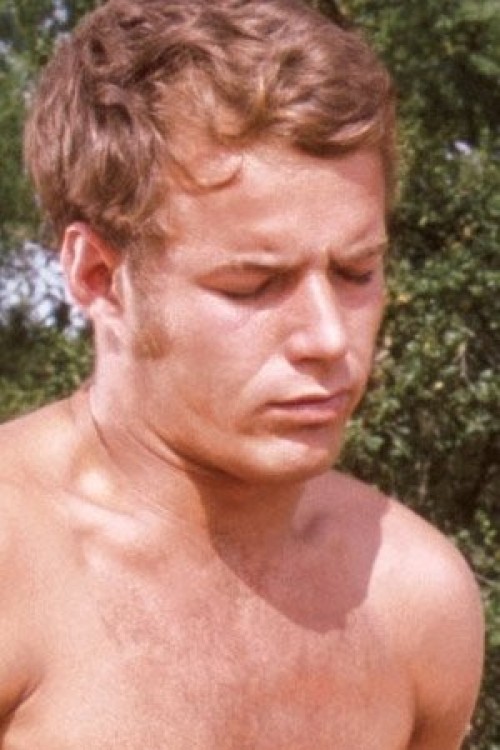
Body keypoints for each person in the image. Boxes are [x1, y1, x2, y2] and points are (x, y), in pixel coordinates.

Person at [0, 0, 484, 747]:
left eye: (357, 271)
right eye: (252, 286)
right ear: (98, 276)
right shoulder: (16, 569)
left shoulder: (415, 598)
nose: (329, 337)